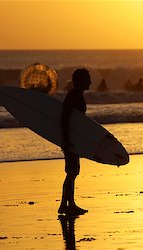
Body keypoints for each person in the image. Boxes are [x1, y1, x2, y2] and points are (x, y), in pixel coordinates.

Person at [59, 68, 91, 215]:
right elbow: (65, 118)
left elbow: (78, 121)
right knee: (72, 172)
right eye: (87, 79)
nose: (90, 82)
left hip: (73, 139)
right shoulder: (74, 95)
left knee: (72, 171)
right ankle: (67, 205)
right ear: (81, 81)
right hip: (70, 139)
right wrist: (66, 141)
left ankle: (66, 204)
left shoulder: (76, 95)